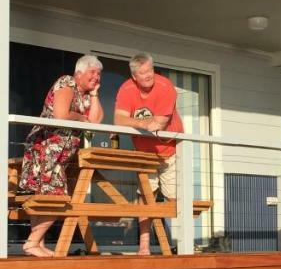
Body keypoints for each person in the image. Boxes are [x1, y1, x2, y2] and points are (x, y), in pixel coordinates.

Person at [18, 54, 105, 256]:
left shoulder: (85, 95)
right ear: (79, 72)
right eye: (93, 72)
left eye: (99, 74)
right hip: (45, 148)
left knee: (46, 197)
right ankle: (31, 242)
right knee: (58, 198)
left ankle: (36, 244)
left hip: (59, 156)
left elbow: (95, 121)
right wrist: (81, 117)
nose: (97, 77)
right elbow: (60, 114)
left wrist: (95, 94)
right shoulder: (67, 82)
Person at [115, 53, 184, 256]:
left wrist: (136, 122)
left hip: (169, 151)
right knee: (146, 199)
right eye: (143, 72)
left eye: (150, 70)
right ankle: (144, 246)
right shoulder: (127, 89)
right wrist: (143, 123)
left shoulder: (165, 87)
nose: (148, 75)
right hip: (144, 154)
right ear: (134, 76)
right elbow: (119, 120)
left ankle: (180, 245)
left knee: (173, 201)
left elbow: (159, 123)